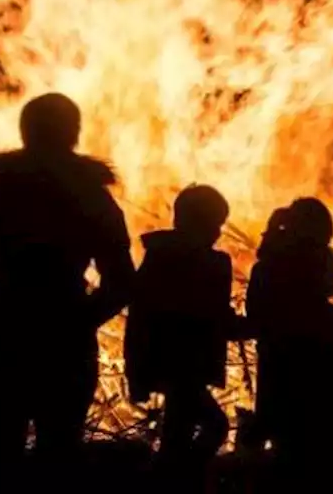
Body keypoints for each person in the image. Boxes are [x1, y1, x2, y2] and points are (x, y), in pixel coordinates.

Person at [0, 93, 135, 467]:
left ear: (25, 132)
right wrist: (82, 319)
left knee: (2, 457)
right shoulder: (91, 195)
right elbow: (121, 279)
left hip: (5, 336)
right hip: (65, 344)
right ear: (74, 133)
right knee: (59, 457)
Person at [248, 198, 333, 469]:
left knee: (292, 458)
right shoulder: (298, 275)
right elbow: (310, 336)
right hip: (310, 401)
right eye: (322, 244)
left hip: (280, 391)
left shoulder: (268, 269)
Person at [124, 184, 241, 466]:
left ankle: (174, 476)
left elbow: (138, 317)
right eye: (214, 223)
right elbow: (215, 317)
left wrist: (136, 370)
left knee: (181, 434)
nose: (217, 232)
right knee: (210, 427)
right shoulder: (206, 264)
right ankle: (178, 479)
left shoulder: (159, 255)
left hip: (173, 367)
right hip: (185, 369)